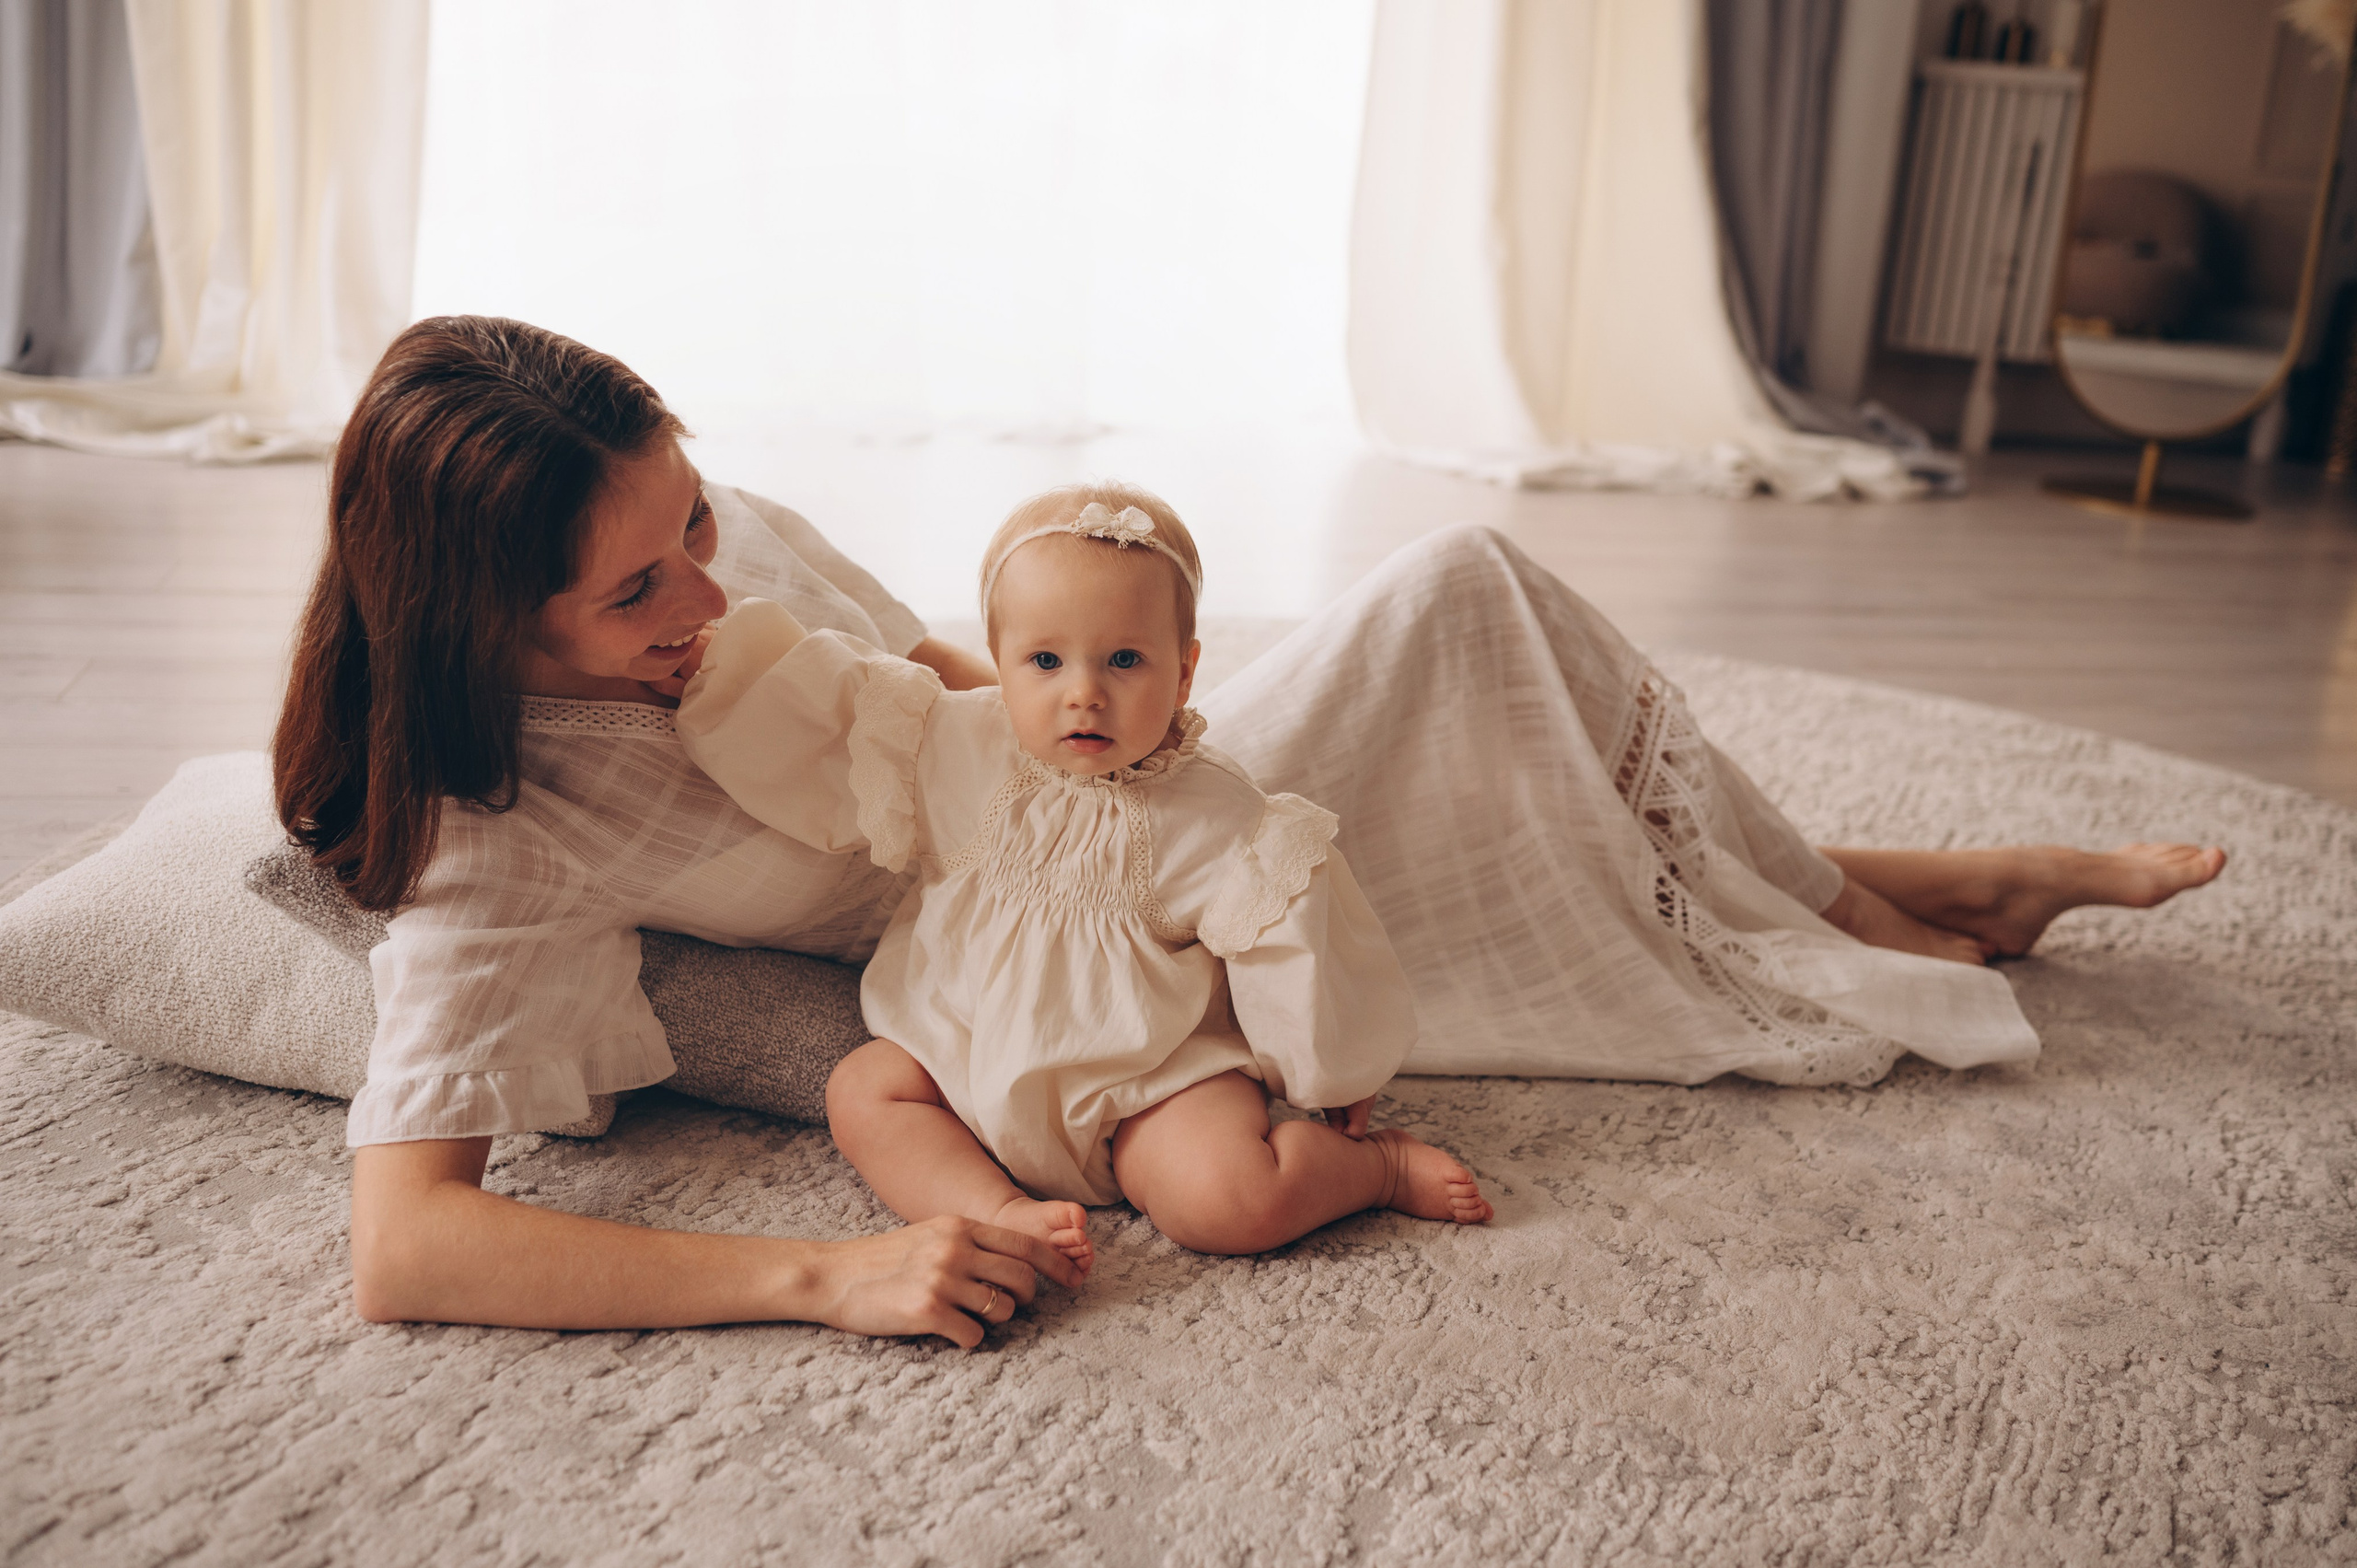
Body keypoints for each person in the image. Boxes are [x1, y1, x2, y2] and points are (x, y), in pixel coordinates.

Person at [275, 316, 2223, 1344]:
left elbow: (959, 674)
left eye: (692, 523)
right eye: (636, 593)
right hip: (1033, 969)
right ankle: (1894, 886)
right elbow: (409, 1243)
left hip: (1113, 805)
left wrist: (1126, 734)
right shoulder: (494, 823)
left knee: (1459, 607)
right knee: (1463, 646)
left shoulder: (712, 552)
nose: (702, 592)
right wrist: (820, 1275)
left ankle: (1867, 883)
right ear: (488, 621)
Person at [670, 486, 1492, 1266]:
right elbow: (831, 711)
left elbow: (1289, 940)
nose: (1085, 694)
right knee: (862, 1093)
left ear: (1184, 671)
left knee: (1227, 1201)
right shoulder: (946, 742)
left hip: (1146, 1077)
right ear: (998, 659)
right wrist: (720, 674)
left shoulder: (1216, 812)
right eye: (1046, 660)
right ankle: (994, 1207)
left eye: (1125, 659)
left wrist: (1330, 1065)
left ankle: (1373, 1171)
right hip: (959, 1047)